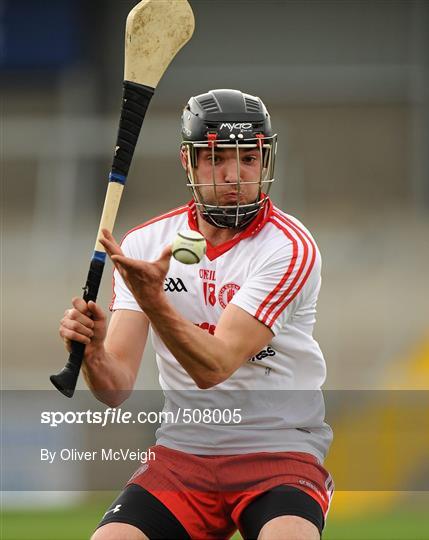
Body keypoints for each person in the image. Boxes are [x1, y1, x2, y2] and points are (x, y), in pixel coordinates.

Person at [59, 89, 333, 540]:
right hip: (182, 452)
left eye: (249, 158)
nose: (234, 175)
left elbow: (216, 366)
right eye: (216, 158)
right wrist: (90, 351)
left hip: (278, 449)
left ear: (265, 163)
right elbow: (115, 389)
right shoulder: (145, 245)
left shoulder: (289, 248)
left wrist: (155, 300)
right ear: (189, 163)